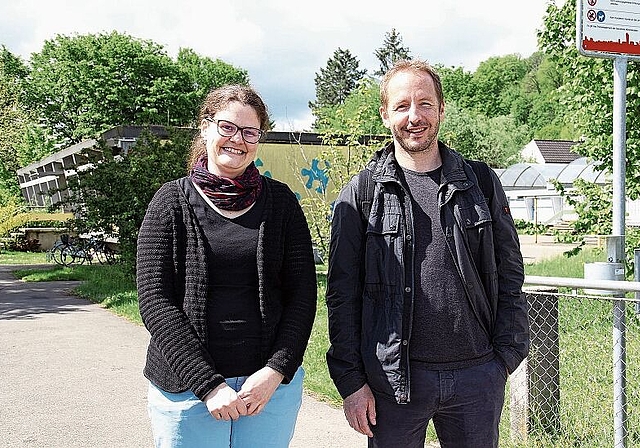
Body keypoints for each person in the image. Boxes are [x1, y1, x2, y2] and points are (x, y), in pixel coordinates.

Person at [325, 59, 530, 448]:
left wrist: (503, 359)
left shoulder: (480, 182)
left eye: (425, 103)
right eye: (402, 106)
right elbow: (341, 295)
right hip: (393, 383)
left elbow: (510, 275)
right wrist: (352, 382)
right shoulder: (362, 194)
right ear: (385, 114)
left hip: (477, 377)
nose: (414, 116)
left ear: (441, 109)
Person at [137, 84, 317, 448]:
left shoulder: (281, 203)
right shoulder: (170, 202)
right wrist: (207, 384)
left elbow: (302, 295)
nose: (238, 139)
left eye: (250, 132)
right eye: (227, 127)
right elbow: (155, 302)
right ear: (205, 127)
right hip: (187, 390)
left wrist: (276, 370)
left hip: (267, 392)